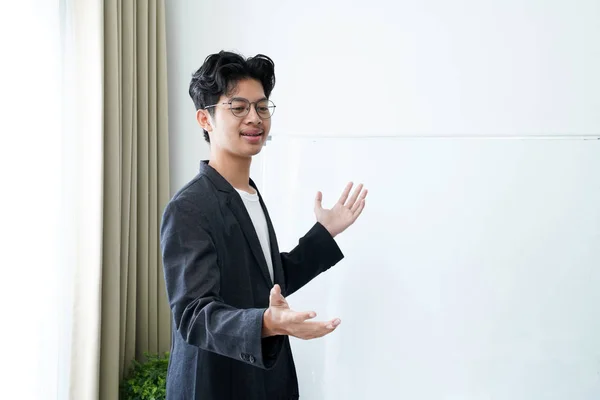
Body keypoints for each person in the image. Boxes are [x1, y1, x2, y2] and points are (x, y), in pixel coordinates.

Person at [160, 50, 367, 399]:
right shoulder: (190, 207)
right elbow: (194, 316)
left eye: (262, 107)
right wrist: (268, 323)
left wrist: (324, 233)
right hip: (214, 384)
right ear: (205, 119)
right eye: (238, 107)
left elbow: (264, 281)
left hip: (262, 381)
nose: (254, 118)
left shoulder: (249, 194)